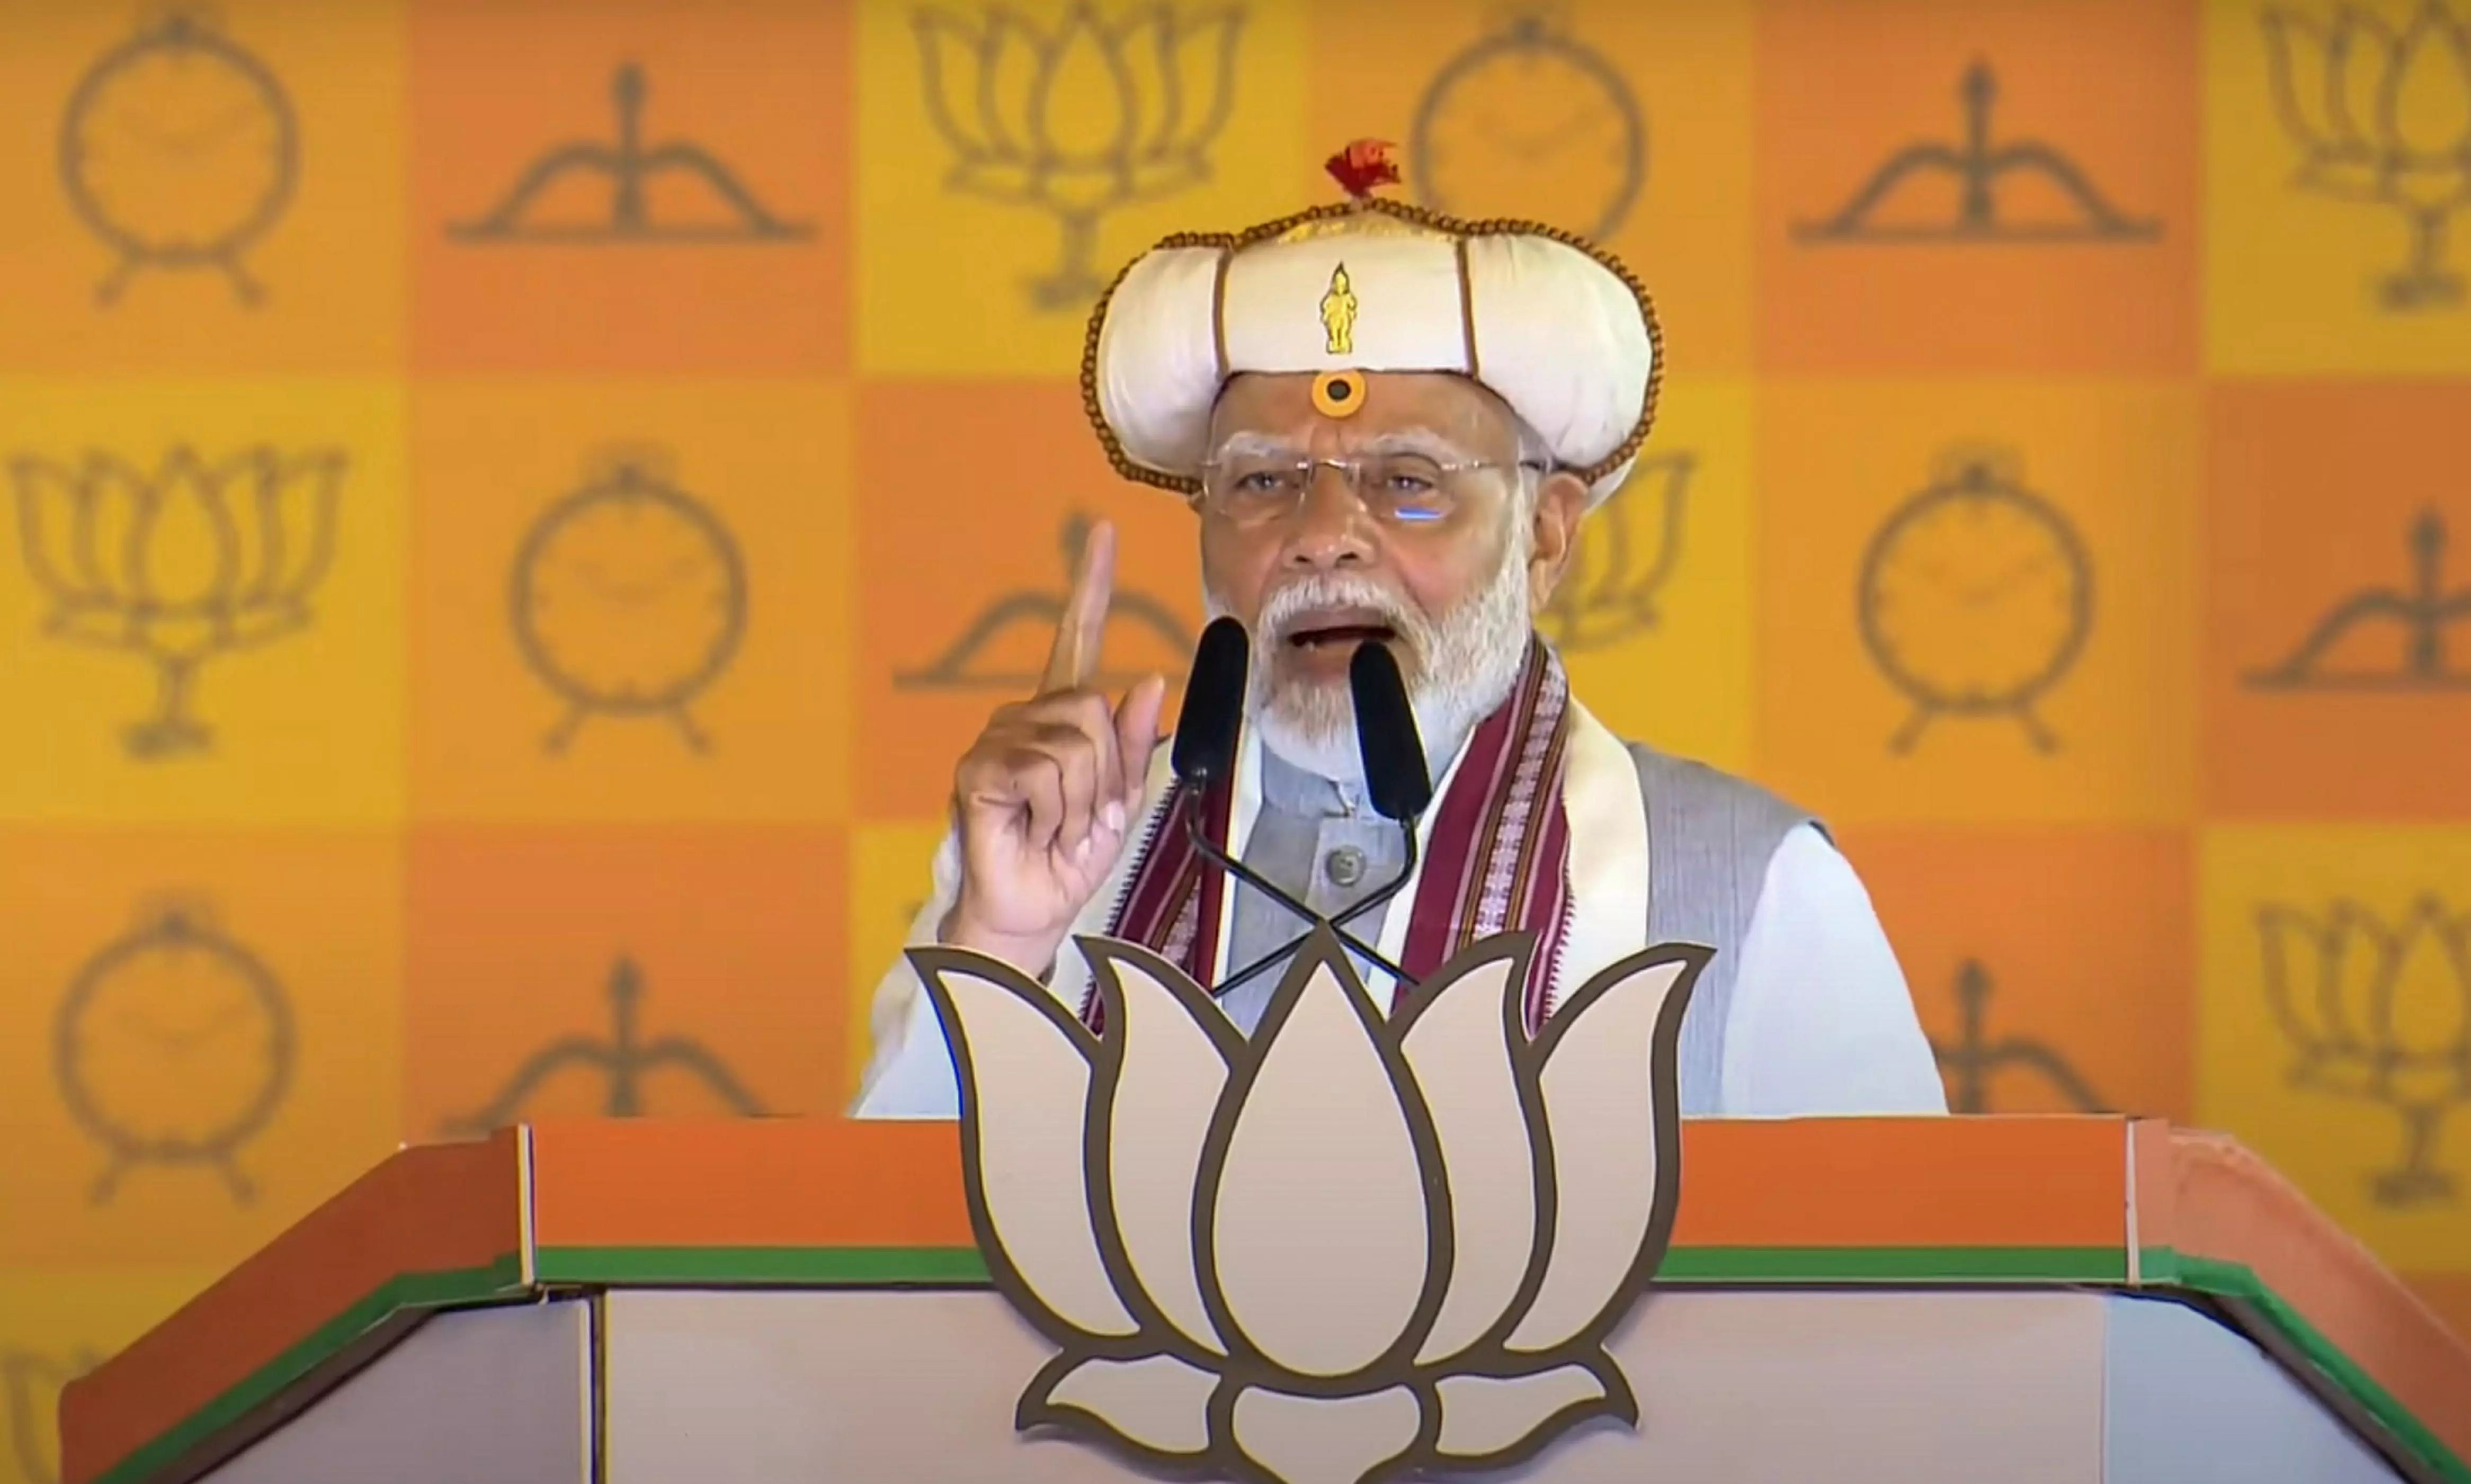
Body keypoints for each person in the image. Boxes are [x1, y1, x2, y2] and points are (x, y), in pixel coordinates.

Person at [851, 153, 1947, 1121]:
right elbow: (877, 1301)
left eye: (1407, 483)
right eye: (1264, 483)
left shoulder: (1755, 890)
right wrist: (996, 949)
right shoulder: (1060, 853)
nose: (1324, 537)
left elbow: (1897, 1331)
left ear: (1544, 534)